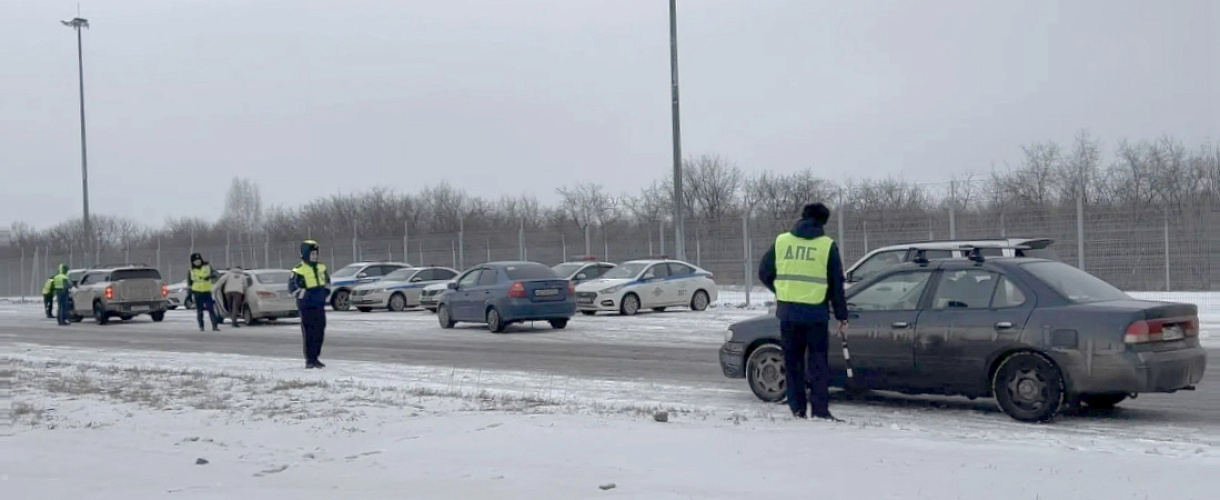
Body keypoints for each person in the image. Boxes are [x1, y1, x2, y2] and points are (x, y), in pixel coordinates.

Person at [758, 203, 849, 421]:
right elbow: (836, 284)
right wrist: (842, 316)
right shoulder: (826, 246)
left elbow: (764, 272)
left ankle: (797, 410)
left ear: (803, 217)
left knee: (793, 363)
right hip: (816, 314)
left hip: (788, 313)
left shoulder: (782, 241)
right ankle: (820, 411)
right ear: (823, 222)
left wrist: (781, 290)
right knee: (818, 364)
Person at [289, 240, 330, 369]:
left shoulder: (321, 267)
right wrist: (306, 296)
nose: (314, 256)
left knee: (320, 331)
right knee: (309, 333)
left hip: (319, 304)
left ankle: (316, 357)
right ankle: (309, 359)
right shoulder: (298, 270)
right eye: (312, 254)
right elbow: (292, 288)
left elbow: (328, 282)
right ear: (306, 254)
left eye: (316, 253)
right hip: (307, 306)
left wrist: (325, 293)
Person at [187, 252, 221, 332]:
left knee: (211, 309)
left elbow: (216, 275)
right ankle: (201, 326)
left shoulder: (207, 267)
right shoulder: (191, 270)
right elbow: (189, 283)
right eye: (195, 260)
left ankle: (215, 326)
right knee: (199, 311)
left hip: (206, 291)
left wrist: (210, 277)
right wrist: (189, 294)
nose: (197, 261)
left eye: (198, 259)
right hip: (197, 292)